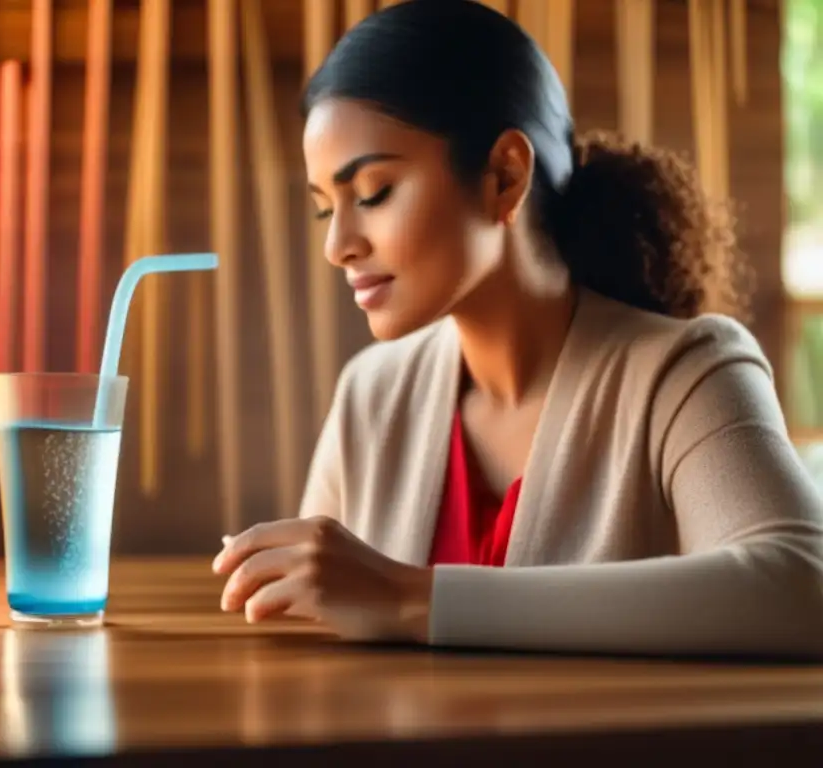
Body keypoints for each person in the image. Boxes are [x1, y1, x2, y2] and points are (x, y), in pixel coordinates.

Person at [212, 0, 823, 657]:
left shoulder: (684, 372)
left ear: (505, 176)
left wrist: (409, 598)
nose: (338, 245)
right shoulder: (371, 394)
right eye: (323, 209)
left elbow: (803, 587)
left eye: (373, 193)